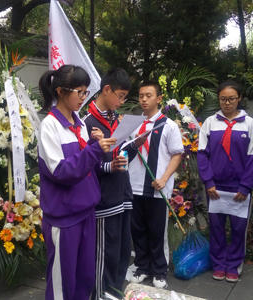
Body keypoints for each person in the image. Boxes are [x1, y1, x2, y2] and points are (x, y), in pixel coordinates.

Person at [37, 64, 117, 300]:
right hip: (64, 218)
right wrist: (94, 151)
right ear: (61, 91)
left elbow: (84, 165)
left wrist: (95, 145)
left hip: (85, 211)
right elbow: (61, 171)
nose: (84, 97)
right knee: (63, 281)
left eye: (85, 92)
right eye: (79, 92)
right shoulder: (49, 126)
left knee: (84, 277)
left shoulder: (80, 123)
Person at [82, 68, 146, 299]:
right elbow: (84, 166)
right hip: (104, 200)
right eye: (120, 95)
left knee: (120, 253)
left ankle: (115, 292)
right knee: (105, 254)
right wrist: (111, 166)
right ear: (106, 89)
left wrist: (136, 144)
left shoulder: (115, 120)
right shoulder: (87, 123)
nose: (122, 101)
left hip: (122, 194)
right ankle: (100, 295)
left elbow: (119, 154)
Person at [197, 81, 253, 283]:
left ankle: (233, 265)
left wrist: (245, 186)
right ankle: (219, 264)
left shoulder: (249, 123)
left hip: (239, 188)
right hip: (215, 188)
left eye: (231, 98)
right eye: (223, 99)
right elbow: (202, 155)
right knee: (216, 229)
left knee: (238, 229)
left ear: (239, 98)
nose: (227, 103)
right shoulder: (210, 123)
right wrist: (208, 182)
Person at [128, 80, 183, 288]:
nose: (144, 99)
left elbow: (177, 155)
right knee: (138, 229)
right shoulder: (133, 125)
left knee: (157, 231)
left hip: (158, 188)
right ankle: (142, 267)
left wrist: (164, 178)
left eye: (148, 95)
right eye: (141, 95)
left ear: (158, 99)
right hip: (134, 186)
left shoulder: (168, 126)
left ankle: (160, 270)